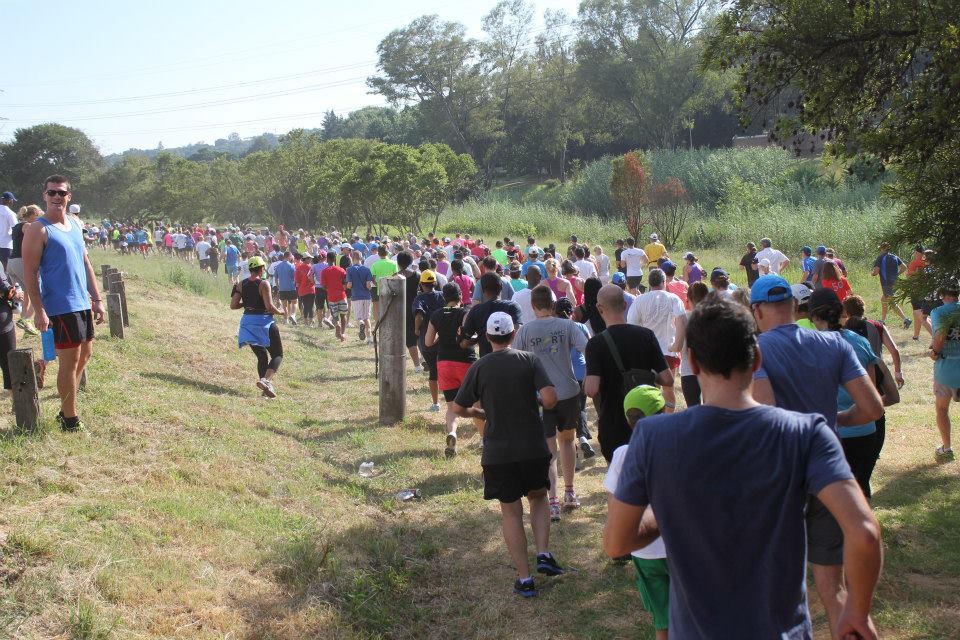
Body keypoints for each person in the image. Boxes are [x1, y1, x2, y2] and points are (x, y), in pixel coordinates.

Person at [605, 298, 882, 639]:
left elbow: (617, 543)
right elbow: (865, 533)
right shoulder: (807, 432)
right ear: (757, 359)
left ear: (692, 360)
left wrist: (668, 512)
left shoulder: (653, 436)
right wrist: (856, 610)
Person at [749, 274, 883, 635]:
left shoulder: (755, 351)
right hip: (829, 471)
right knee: (834, 587)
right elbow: (872, 408)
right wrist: (832, 420)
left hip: (780, 477)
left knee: (779, 589)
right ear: (795, 307)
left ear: (757, 311)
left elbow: (767, 415)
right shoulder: (834, 345)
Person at [452, 311, 565, 598]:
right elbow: (550, 399)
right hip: (532, 446)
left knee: (511, 512)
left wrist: (481, 412)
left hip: (498, 451)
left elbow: (458, 408)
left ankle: (525, 579)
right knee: (539, 497)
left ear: (488, 337)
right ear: (514, 334)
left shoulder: (479, 367)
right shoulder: (529, 359)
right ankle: (543, 553)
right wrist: (536, 399)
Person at [22, 175, 106, 432]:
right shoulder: (39, 228)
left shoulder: (73, 226)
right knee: (69, 360)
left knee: (85, 355)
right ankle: (70, 420)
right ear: (44, 196)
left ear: (69, 196)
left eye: (61, 193)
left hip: (81, 303)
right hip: (59, 306)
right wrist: (39, 310)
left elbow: (86, 263)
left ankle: (65, 409)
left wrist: (97, 299)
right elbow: (30, 273)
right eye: (52, 193)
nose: (57, 197)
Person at [516, 285, 589, 521]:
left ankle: (553, 502)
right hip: (568, 392)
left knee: (549, 451)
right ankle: (570, 492)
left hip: (542, 396)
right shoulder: (567, 325)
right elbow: (587, 347)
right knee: (567, 442)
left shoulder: (526, 330)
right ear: (553, 304)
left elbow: (516, 360)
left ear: (533, 306)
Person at [603, 385, 668, 640]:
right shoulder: (678, 449)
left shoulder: (621, 455)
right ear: (663, 413)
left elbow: (613, 506)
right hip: (679, 546)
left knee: (662, 620)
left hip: (644, 550)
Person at [584, 285, 672, 461]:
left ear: (599, 309)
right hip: (647, 418)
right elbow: (667, 379)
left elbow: (591, 389)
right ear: (625, 305)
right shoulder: (646, 335)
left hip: (613, 421)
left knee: (618, 480)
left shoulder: (596, 344)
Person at [425, 283, 477, 457]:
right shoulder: (465, 313)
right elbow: (468, 335)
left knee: (451, 407)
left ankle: (452, 434)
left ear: (444, 298)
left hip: (444, 363)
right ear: (461, 296)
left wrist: (442, 335)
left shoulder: (436, 315)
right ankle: (485, 439)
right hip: (465, 362)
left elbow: (427, 342)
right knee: (477, 403)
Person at [627, 269, 685, 413]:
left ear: (650, 283)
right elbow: (682, 319)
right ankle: (669, 418)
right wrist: (678, 344)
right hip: (667, 350)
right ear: (664, 282)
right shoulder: (673, 298)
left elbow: (631, 325)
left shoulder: (640, 300)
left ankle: (654, 417)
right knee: (668, 388)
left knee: (650, 390)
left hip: (647, 352)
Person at [230, 256, 285, 398]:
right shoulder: (264, 284)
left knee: (261, 356)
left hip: (247, 323)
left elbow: (233, 305)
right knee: (277, 354)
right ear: (261, 269)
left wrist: (247, 303)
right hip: (263, 322)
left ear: (250, 269)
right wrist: (280, 311)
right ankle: (266, 380)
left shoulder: (241, 284)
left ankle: (266, 391)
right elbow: (269, 307)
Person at [930, 284, 960, 460]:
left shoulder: (939, 312)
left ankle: (947, 448)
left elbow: (940, 336)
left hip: (946, 369)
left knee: (942, 409)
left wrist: (934, 352)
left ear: (942, 295)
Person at [461, 273, 522, 358]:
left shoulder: (476, 311)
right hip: (511, 359)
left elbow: (464, 343)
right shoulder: (513, 306)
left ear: (482, 290)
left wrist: (480, 338)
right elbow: (518, 331)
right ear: (501, 287)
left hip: (487, 360)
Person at [413, 270, 445, 411]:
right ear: (435, 283)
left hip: (428, 340)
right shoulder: (443, 295)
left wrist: (416, 329)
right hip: (444, 338)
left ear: (421, 284)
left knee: (433, 371)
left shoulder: (419, 299)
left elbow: (419, 316)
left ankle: (435, 403)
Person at [674, 281, 709, 407]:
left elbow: (677, 345)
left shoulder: (683, 318)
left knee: (693, 409)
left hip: (688, 370)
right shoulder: (714, 316)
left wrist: (670, 347)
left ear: (688, 299)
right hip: (710, 370)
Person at [9, 204, 41, 336]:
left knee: (27, 294)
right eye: (38, 215)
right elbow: (34, 239)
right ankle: (26, 319)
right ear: (32, 215)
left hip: (11, 263)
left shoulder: (17, 225)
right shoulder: (27, 225)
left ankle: (27, 328)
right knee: (37, 292)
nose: (39, 218)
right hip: (21, 261)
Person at [872, 242, 910, 328]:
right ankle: (883, 320)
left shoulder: (880, 257)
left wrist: (872, 273)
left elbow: (876, 272)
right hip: (895, 283)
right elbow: (904, 267)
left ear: (882, 249)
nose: (880, 250)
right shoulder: (894, 256)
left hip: (886, 283)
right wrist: (897, 274)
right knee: (884, 300)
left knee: (891, 303)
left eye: (880, 248)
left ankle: (905, 319)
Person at [907, 245, 935, 340]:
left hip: (916, 291)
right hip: (927, 292)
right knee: (917, 314)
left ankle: (935, 338)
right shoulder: (927, 264)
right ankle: (916, 336)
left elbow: (909, 277)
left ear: (916, 252)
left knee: (920, 315)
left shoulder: (914, 263)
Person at [345, 251, 374, 341]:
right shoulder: (367, 270)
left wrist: (348, 286)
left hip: (356, 296)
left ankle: (361, 324)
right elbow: (368, 285)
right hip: (366, 296)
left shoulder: (349, 270)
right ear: (361, 258)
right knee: (367, 318)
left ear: (352, 258)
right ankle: (369, 338)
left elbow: (349, 284)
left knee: (359, 317)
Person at [319, 251, 348, 341]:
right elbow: (345, 283)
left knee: (335, 316)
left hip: (331, 297)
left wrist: (329, 289)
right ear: (335, 259)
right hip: (342, 295)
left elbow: (323, 286)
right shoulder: (341, 270)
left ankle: (337, 325)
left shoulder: (324, 271)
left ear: (327, 260)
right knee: (343, 315)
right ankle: (342, 334)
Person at [274, 252, 298, 324]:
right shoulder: (291, 266)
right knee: (294, 302)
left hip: (282, 288)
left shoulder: (278, 266)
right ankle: (293, 315)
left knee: (284, 305)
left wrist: (279, 286)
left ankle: (286, 320)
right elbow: (295, 278)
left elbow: (276, 278)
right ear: (289, 256)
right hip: (291, 287)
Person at [0, 192, 18, 269]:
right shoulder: (10, 213)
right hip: (5, 245)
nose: (13, 202)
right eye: (12, 200)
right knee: (6, 270)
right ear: (9, 200)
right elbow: (16, 229)